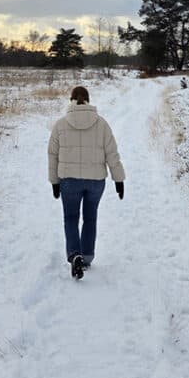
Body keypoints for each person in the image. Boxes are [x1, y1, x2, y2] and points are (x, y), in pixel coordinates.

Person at [48, 85, 125, 279]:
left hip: (69, 181)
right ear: (88, 100)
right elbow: (112, 154)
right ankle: (87, 257)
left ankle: (75, 254)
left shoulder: (60, 125)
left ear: (71, 100)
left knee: (71, 218)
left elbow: (53, 155)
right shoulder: (102, 124)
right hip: (95, 181)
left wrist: (54, 181)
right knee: (90, 218)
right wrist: (119, 179)